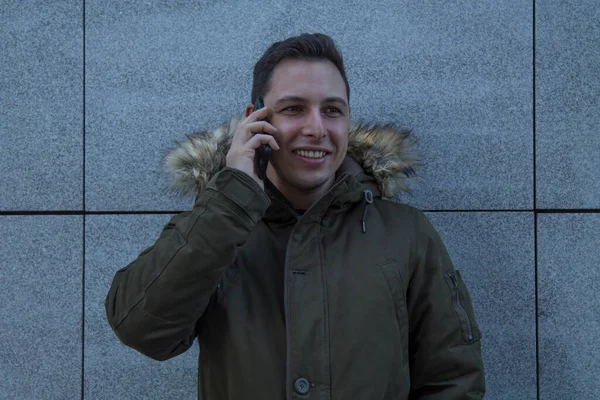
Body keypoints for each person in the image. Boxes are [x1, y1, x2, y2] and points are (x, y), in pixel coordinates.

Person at [106, 32, 486, 399]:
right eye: (293, 109)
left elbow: (452, 381)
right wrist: (232, 195)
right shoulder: (215, 224)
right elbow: (141, 330)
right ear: (254, 120)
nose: (316, 129)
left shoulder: (406, 234)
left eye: (332, 110)